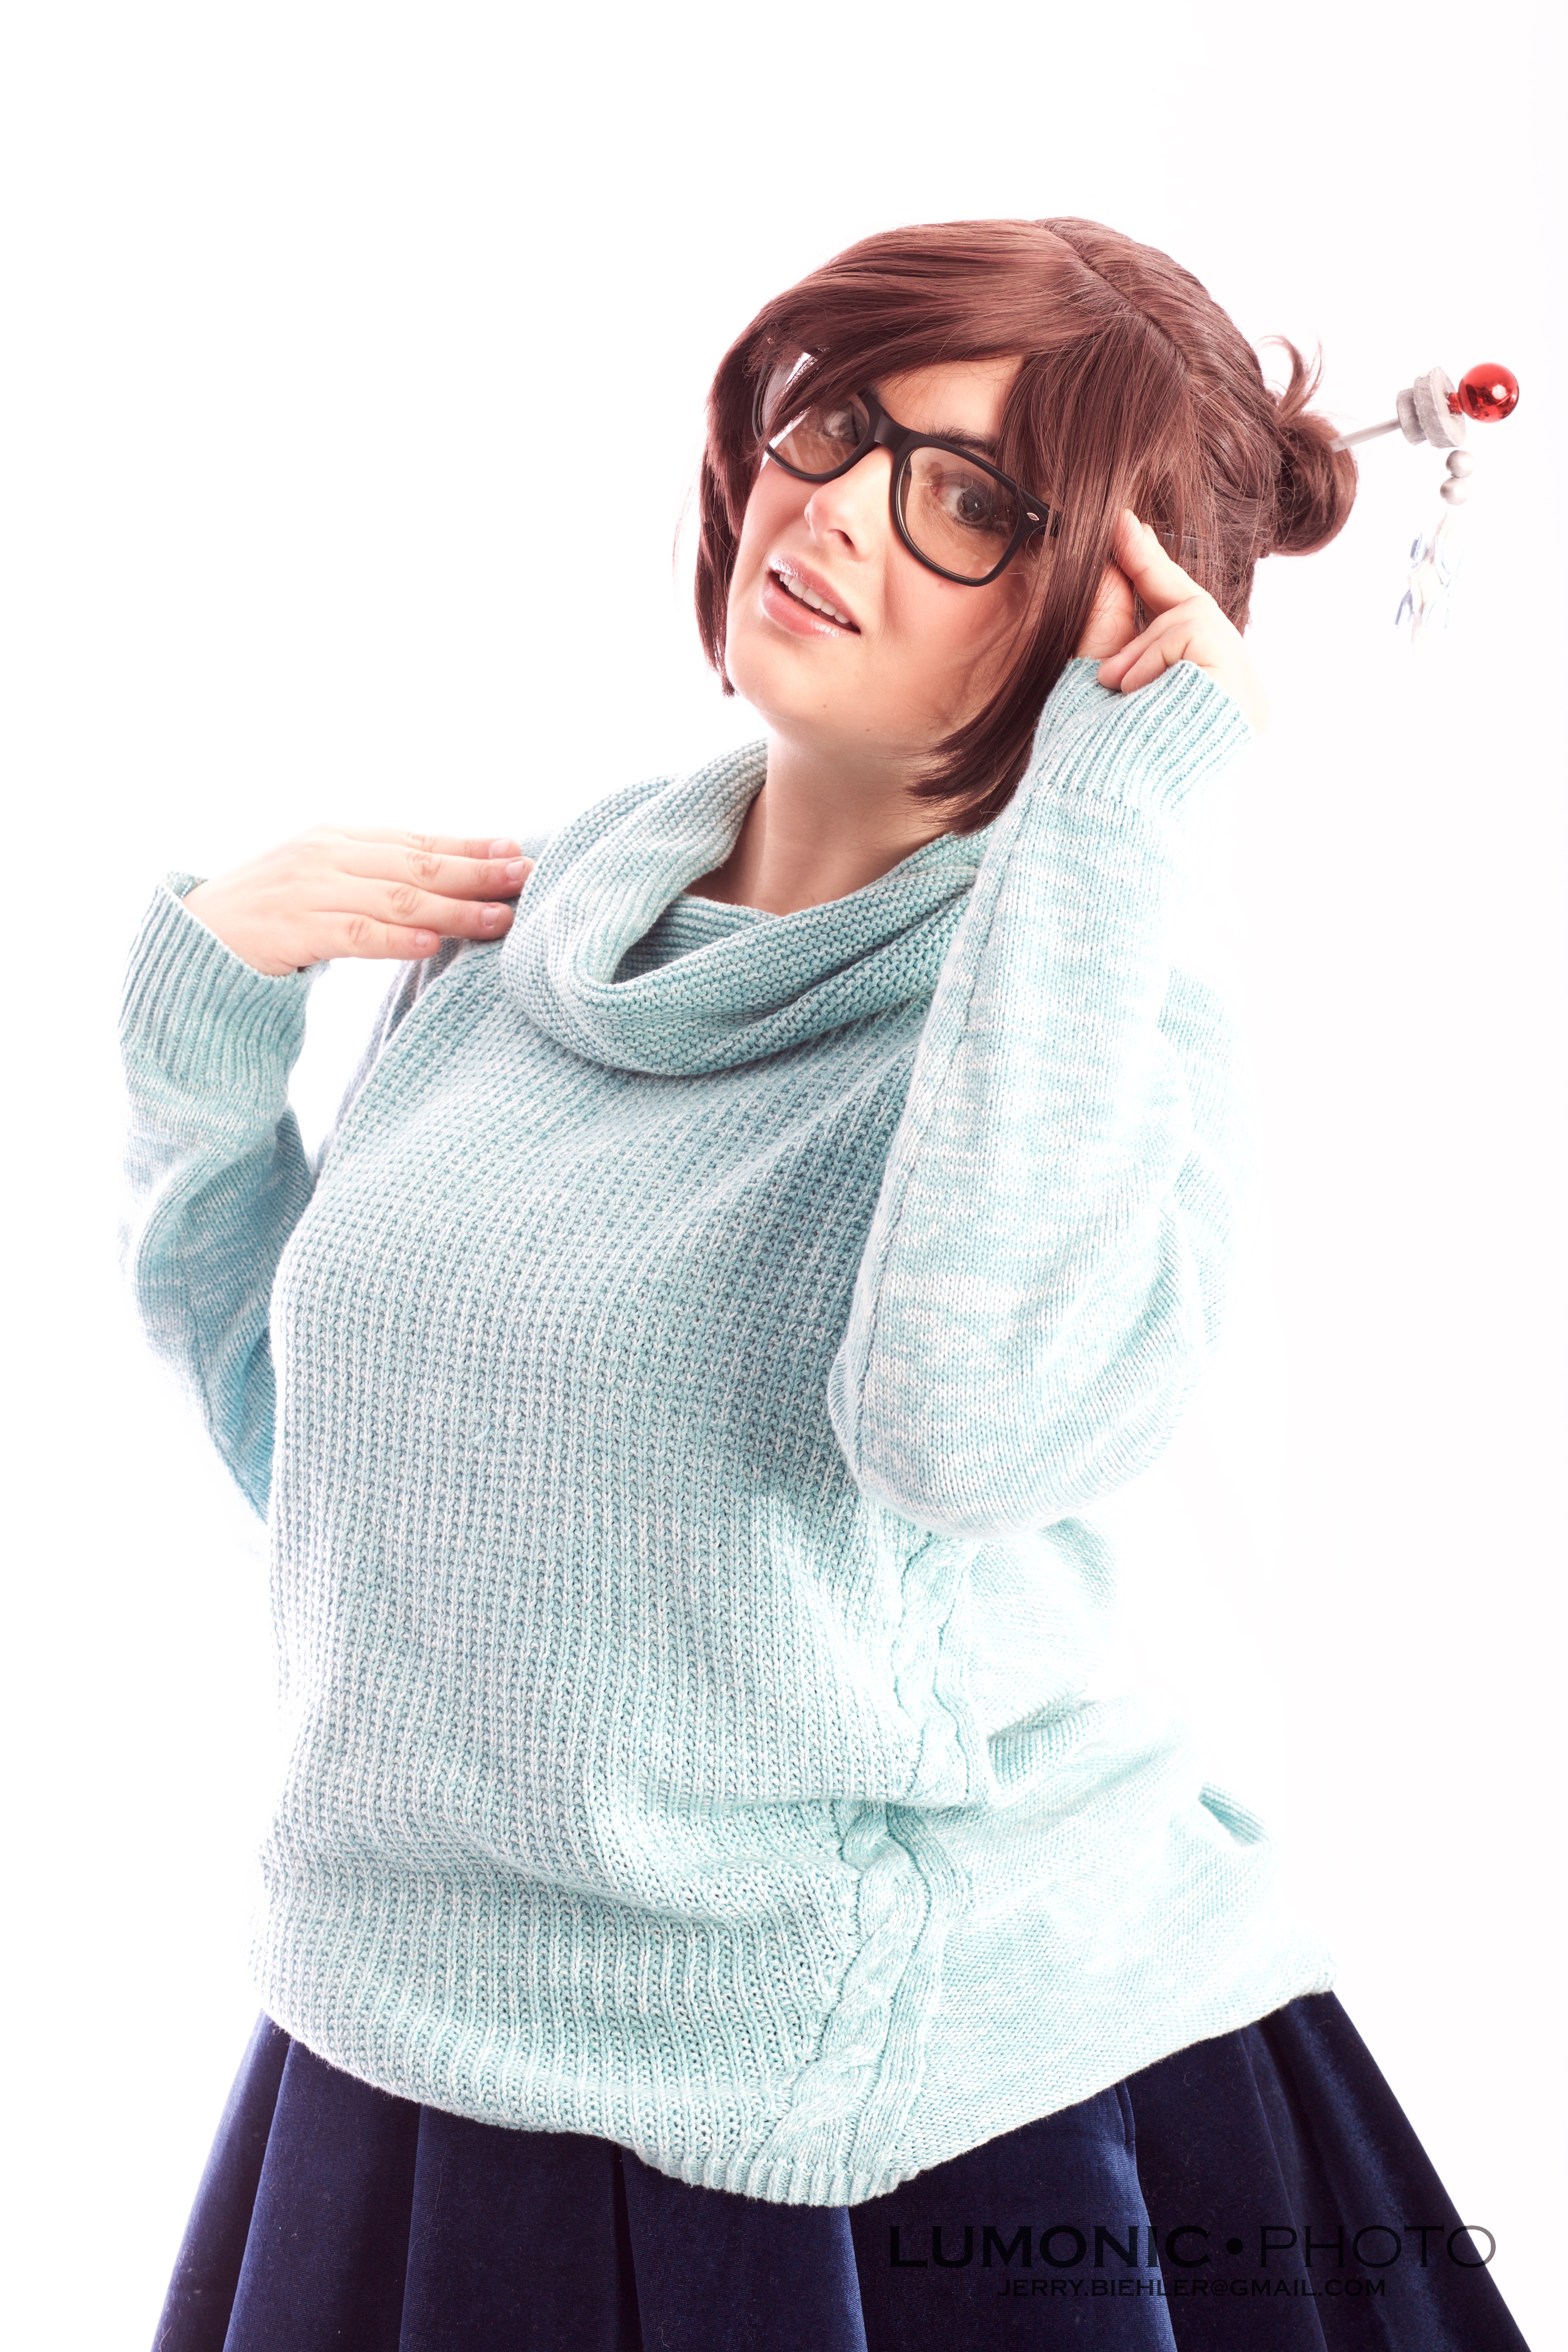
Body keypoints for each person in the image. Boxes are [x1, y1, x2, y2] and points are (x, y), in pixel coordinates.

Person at [124, 218, 1529, 2349]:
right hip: (410, 2042)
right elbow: (342, 1484)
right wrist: (205, 1056)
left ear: (1109, 622)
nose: (844, 507)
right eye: (841, 426)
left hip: (916, 2112)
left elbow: (969, 1439)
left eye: (976, 501)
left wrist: (1110, 828)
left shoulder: (1094, 1025)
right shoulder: (514, 950)